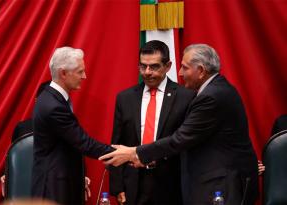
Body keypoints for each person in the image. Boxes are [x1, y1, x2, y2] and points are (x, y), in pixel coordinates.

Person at [100, 44, 259, 205]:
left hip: (221, 183)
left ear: (201, 71)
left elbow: (180, 139)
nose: (180, 73)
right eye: (143, 66)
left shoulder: (210, 96)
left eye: (184, 68)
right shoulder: (217, 89)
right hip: (144, 184)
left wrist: (134, 153)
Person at [109, 40, 195, 205]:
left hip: (171, 184)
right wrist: (117, 186)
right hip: (133, 184)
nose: (147, 72)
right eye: (143, 66)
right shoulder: (125, 98)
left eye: (154, 66)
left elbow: (187, 142)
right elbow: (117, 143)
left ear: (168, 66)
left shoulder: (186, 97)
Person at [31, 47, 113, 205]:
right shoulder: (54, 106)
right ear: (63, 73)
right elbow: (83, 142)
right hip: (53, 189)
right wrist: (121, 154)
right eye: (80, 71)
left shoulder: (51, 98)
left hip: (58, 184)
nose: (84, 76)